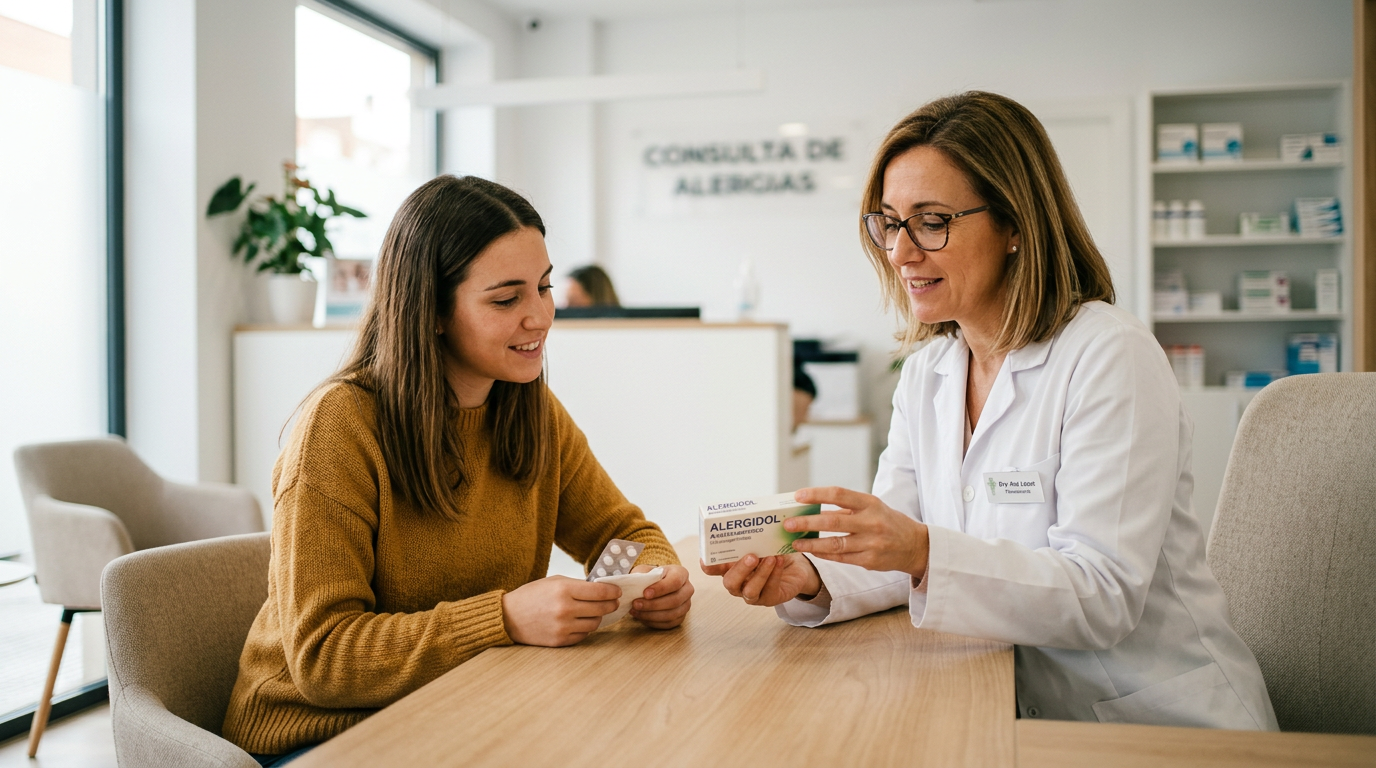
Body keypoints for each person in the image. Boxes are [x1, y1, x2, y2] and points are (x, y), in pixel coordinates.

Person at [703, 92, 1277, 730]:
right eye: (890, 222)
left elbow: (1103, 595)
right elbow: (901, 553)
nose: (899, 252)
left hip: (1159, 724)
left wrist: (920, 550)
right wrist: (809, 577)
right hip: (1013, 711)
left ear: (1014, 225)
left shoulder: (1108, 354)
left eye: (932, 221)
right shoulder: (927, 374)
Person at [222, 176, 694, 765]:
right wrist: (502, 619)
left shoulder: (530, 412)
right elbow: (324, 658)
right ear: (433, 311)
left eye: (544, 288)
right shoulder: (339, 427)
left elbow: (619, 533)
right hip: (317, 736)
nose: (541, 317)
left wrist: (657, 578)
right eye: (506, 299)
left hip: (461, 708)